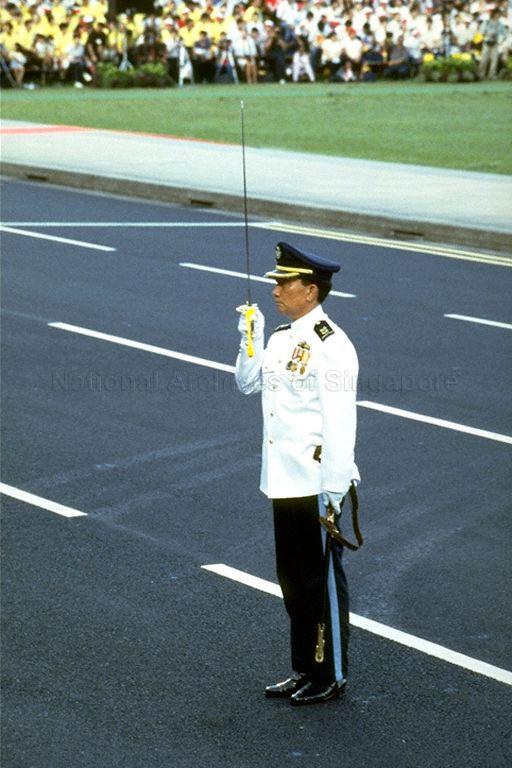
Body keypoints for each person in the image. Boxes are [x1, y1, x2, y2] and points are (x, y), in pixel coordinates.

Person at [235, 242, 361, 707]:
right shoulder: (282, 338)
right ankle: (304, 667)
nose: (275, 289)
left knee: (319, 582)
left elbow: (341, 420)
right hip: (283, 479)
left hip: (315, 481)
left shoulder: (333, 346)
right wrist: (250, 336)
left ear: (310, 291)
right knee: (292, 580)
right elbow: (247, 384)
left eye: (284, 282)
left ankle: (331, 673)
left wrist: (334, 487)